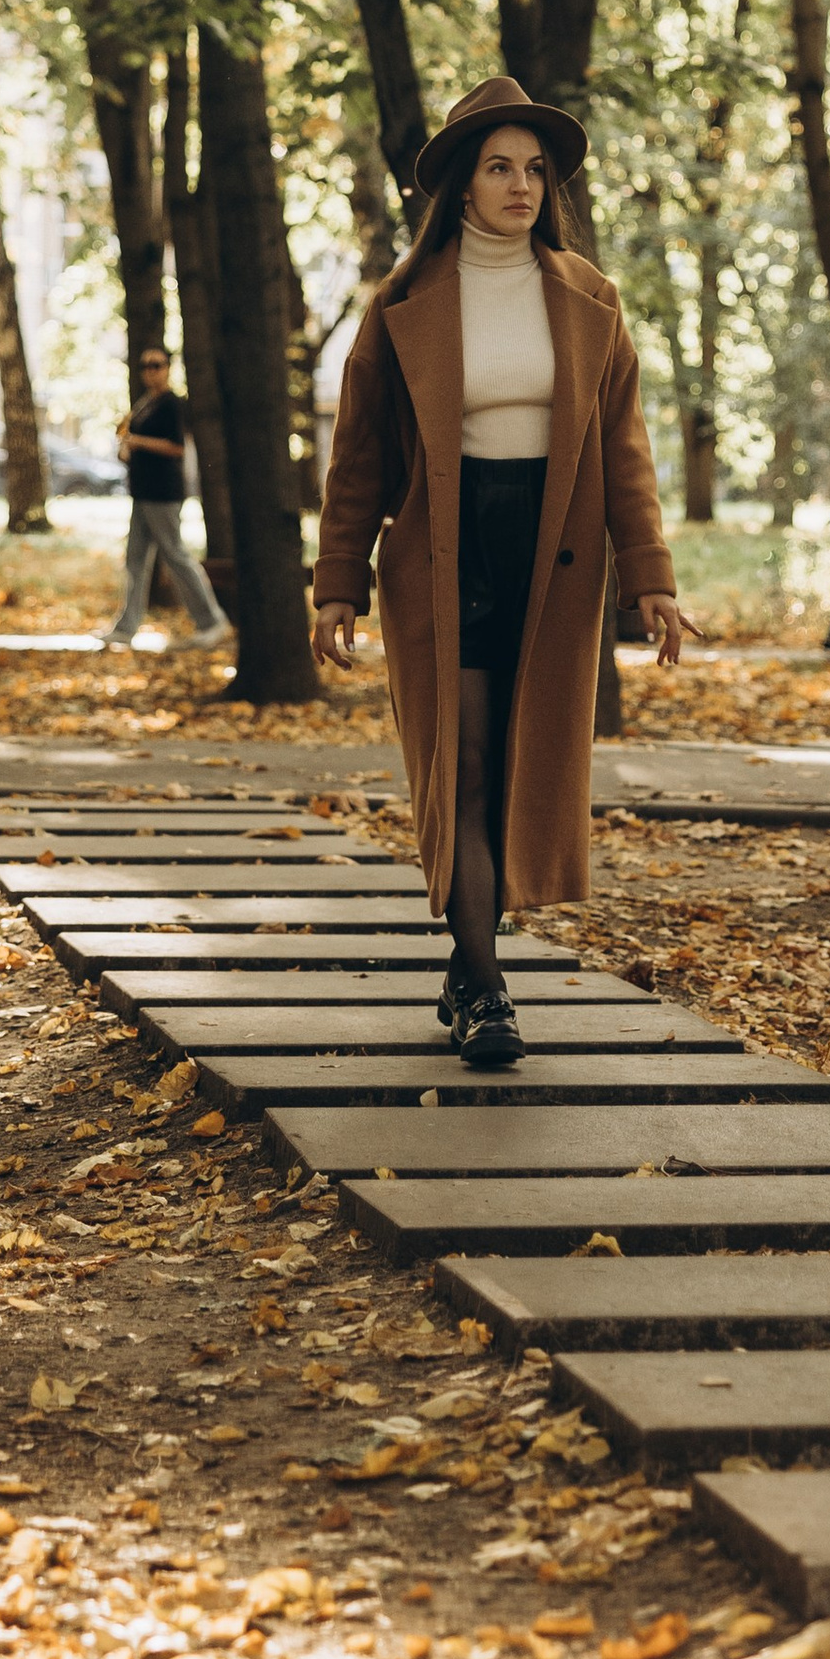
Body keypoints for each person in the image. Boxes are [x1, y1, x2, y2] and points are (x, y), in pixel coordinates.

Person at [310, 77, 689, 1070]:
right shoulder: (404, 302)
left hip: (552, 552)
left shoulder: (588, 298)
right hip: (443, 546)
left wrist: (650, 573)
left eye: (533, 170)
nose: (520, 185)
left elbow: (623, 446)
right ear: (462, 187)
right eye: (498, 168)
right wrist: (337, 579)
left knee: (521, 769)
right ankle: (484, 986)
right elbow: (359, 457)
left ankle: (468, 953)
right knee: (466, 766)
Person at [106, 345, 231, 653]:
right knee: (135, 561)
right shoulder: (145, 403)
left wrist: (138, 441)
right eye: (145, 365)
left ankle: (212, 622)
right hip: (142, 493)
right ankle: (125, 629)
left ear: (168, 367)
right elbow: (131, 442)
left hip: (163, 494)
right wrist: (127, 449)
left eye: (157, 364)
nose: (151, 370)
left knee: (176, 556)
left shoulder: (172, 404)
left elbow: (177, 447)